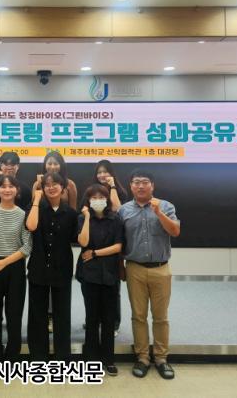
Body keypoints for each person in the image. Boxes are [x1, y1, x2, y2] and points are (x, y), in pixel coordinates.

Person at [118, 170, 180, 380]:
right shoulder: (124, 210)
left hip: (161, 269)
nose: (140, 186)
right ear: (131, 186)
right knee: (138, 315)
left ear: (152, 185)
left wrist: (159, 213)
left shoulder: (166, 206)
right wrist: (120, 267)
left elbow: (175, 231)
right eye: (136, 182)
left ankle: (161, 358)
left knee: (160, 317)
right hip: (134, 268)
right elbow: (119, 241)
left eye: (145, 182)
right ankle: (143, 357)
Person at [25, 172, 78, 362]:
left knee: (62, 314)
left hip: (61, 268)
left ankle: (62, 357)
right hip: (38, 266)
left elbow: (76, 238)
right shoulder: (35, 208)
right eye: (47, 184)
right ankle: (38, 357)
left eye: (55, 183)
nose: (51, 187)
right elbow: (30, 226)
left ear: (63, 188)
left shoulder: (70, 213)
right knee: (37, 314)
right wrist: (36, 200)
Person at [0, 175, 32, 366]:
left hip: (14, 266)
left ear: (17, 190)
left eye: (11, 186)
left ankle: (12, 357)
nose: (7, 189)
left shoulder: (23, 214)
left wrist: (5, 262)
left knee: (14, 315)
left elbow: (27, 246)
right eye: (3, 186)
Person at [76, 184, 124, 376]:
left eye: (101, 197)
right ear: (88, 201)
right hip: (89, 274)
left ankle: (108, 359)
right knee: (92, 317)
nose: (98, 200)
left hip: (110, 273)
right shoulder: (82, 218)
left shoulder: (115, 219)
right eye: (93, 198)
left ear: (107, 199)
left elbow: (118, 246)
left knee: (108, 318)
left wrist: (95, 253)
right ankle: (91, 358)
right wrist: (87, 217)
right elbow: (83, 242)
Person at [92, 159, 129, 335]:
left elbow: (117, 209)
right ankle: (96, 319)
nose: (102, 175)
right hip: (96, 243)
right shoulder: (92, 190)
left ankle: (113, 323)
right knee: (95, 287)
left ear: (111, 173)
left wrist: (112, 186)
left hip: (114, 243)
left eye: (105, 172)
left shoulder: (120, 191)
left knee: (113, 287)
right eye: (99, 172)